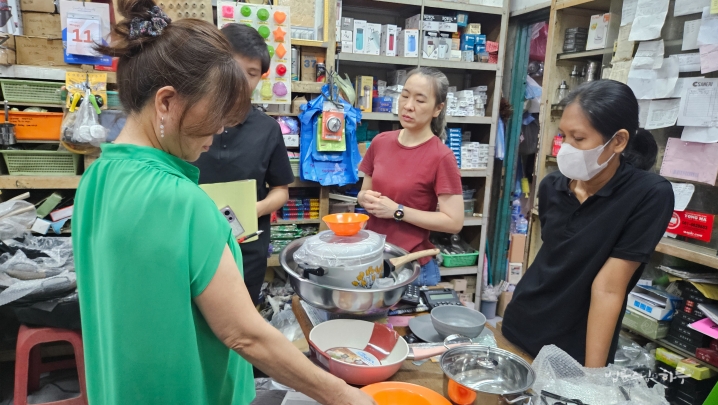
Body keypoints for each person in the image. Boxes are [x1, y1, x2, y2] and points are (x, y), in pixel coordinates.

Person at [72, 1, 375, 404]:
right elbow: (245, 334)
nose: (218, 130)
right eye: (214, 111)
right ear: (166, 102)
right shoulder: (182, 201)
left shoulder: (96, 178)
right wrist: (343, 396)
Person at [502, 80, 674, 367]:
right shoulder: (552, 186)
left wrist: (593, 378)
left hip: (577, 347)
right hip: (521, 323)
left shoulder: (649, 194)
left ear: (618, 141)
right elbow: (555, 260)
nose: (566, 147)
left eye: (579, 138)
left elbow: (609, 288)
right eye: (563, 136)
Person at [193, 23, 294, 306]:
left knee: (243, 312)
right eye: (234, 69)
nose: (241, 80)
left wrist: (252, 211)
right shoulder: (191, 120)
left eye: (251, 74)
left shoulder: (268, 129)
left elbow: (281, 191)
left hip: (247, 246)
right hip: (195, 242)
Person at [357, 67, 464, 286]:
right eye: (405, 96)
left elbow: (454, 222)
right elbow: (364, 192)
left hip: (411, 266)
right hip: (374, 259)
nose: (408, 105)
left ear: (438, 109)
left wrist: (397, 211)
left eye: (420, 100)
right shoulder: (380, 142)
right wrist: (363, 198)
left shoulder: (441, 156)